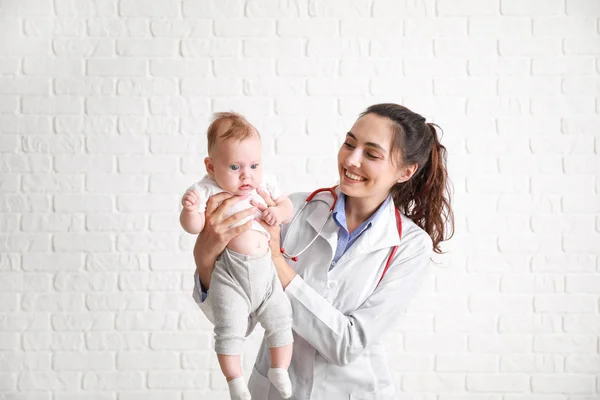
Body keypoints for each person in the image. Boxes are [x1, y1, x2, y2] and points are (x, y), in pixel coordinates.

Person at [192, 103, 454, 399]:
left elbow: (347, 345)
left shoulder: (409, 245)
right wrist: (204, 259)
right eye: (349, 144)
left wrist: (277, 261)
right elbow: (240, 321)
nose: (351, 160)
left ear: (406, 172)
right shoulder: (293, 210)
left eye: (371, 154)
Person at [181, 112, 295, 400]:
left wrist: (277, 212)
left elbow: (287, 207)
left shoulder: (264, 184)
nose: (247, 175)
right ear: (211, 166)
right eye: (234, 167)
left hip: (266, 274)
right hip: (229, 274)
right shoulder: (206, 188)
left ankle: (279, 368)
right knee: (228, 329)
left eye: (254, 165)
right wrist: (191, 211)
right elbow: (193, 228)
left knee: (282, 319)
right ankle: (235, 381)